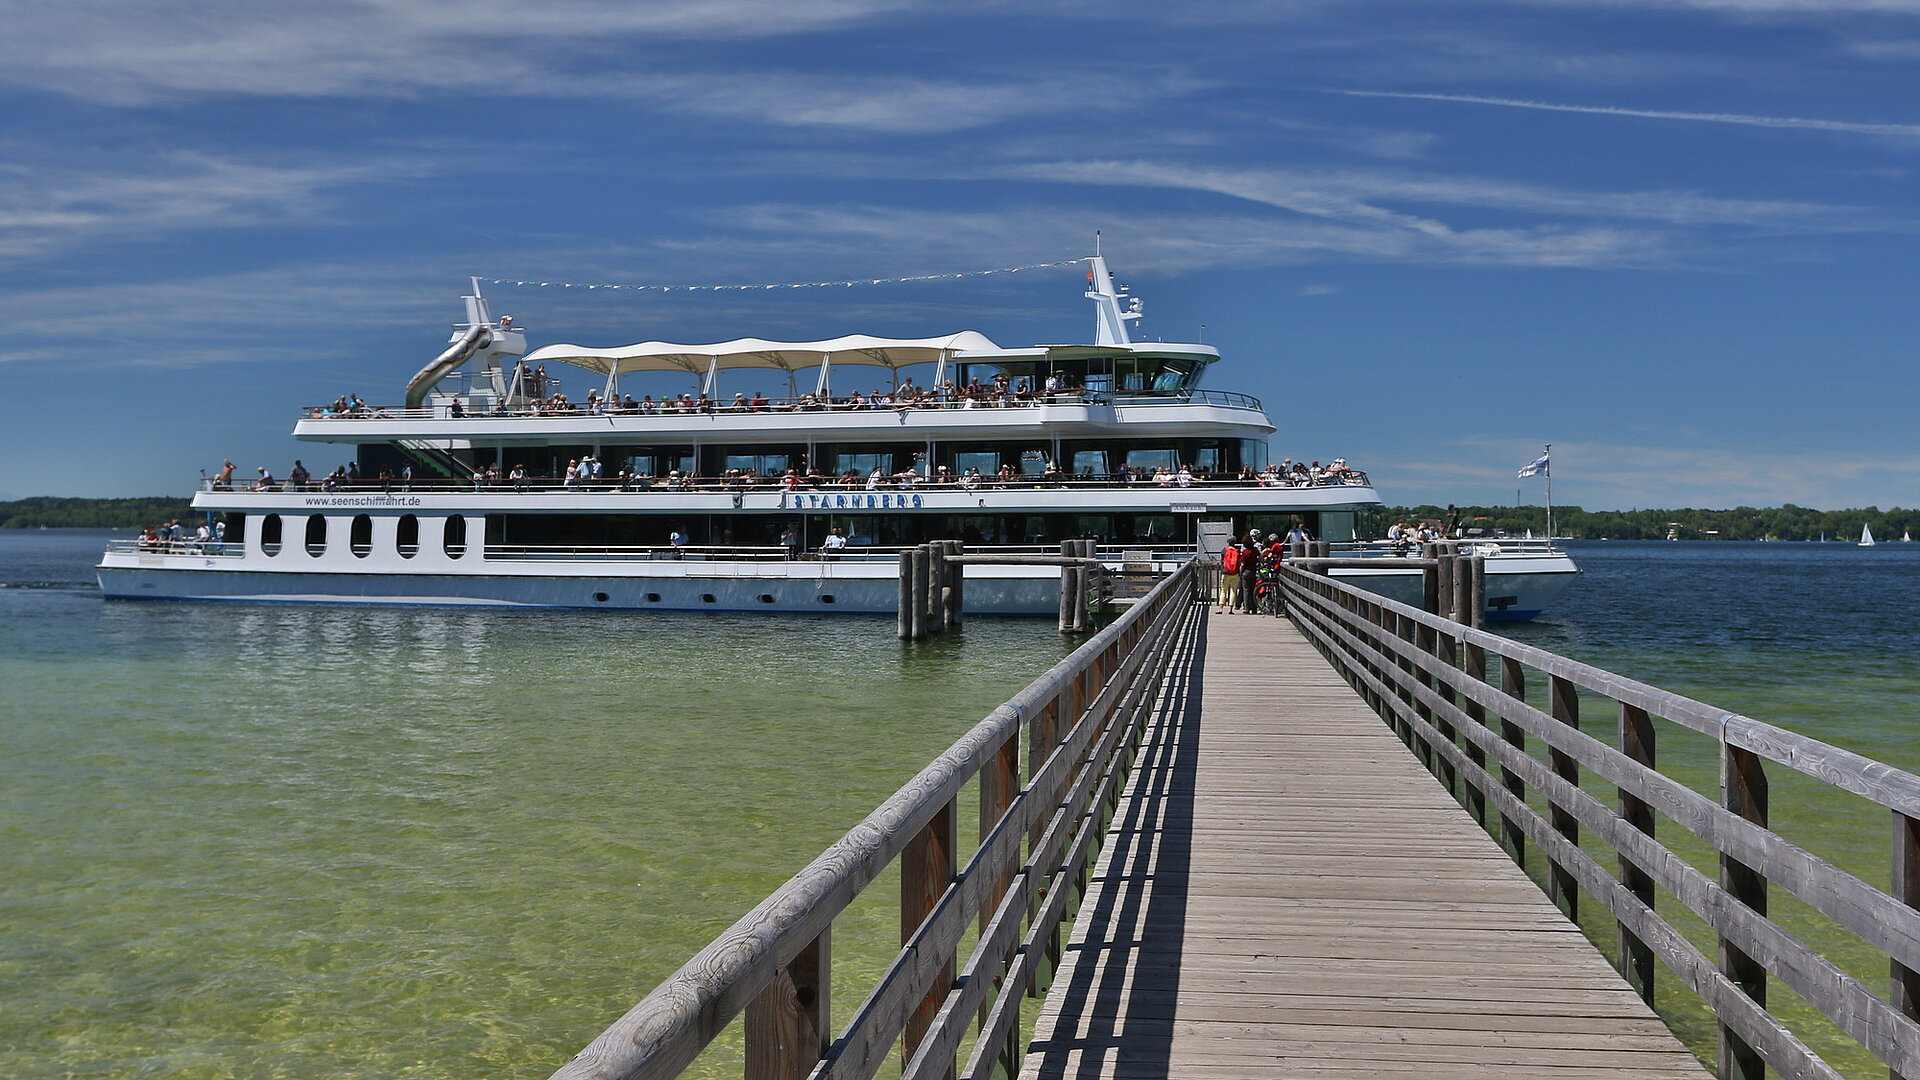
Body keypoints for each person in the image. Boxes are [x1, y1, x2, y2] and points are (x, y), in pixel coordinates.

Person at [1217, 538, 1242, 614]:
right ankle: (1231, 609)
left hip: (1226, 573)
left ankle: (1221, 608)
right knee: (1233, 591)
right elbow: (1240, 563)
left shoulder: (1224, 550)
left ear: (1228, 542)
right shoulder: (1237, 551)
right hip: (1235, 573)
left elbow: (1221, 561)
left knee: (1223, 590)